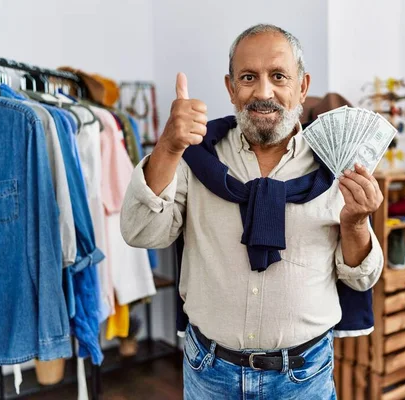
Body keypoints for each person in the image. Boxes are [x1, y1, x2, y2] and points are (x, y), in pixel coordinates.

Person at [120, 24, 384, 399]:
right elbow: (140, 233)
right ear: (230, 88)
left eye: (278, 76)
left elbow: (361, 279)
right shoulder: (195, 155)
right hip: (208, 372)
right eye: (248, 77)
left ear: (302, 86)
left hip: (304, 379)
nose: (263, 92)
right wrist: (168, 145)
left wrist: (356, 223)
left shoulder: (335, 166)